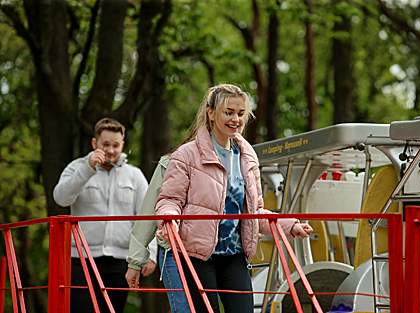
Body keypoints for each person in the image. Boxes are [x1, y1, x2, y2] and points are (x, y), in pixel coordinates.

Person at [155, 84, 313, 313]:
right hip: (197, 254)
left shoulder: (248, 157)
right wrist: (169, 219)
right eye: (228, 112)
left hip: (234, 254)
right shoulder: (187, 154)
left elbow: (255, 211)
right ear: (211, 113)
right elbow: (169, 200)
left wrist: (290, 225)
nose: (235, 119)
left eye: (240, 114)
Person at [53, 117, 152, 313]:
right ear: (94, 143)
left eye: (116, 145)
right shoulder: (77, 167)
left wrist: (151, 253)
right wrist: (87, 169)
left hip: (120, 260)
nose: (111, 150)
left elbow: (146, 217)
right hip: (80, 259)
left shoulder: (135, 175)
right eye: (105, 144)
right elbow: (60, 198)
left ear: (122, 145)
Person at [125, 154, 191, 313]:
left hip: (216, 255)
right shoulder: (170, 161)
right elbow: (149, 210)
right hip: (173, 250)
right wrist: (136, 261)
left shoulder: (237, 157)